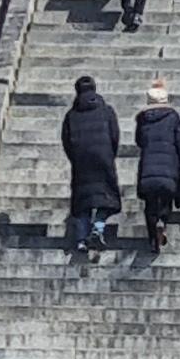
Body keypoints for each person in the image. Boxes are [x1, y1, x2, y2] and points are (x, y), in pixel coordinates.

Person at [61, 73, 121, 257]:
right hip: (103, 157)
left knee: (82, 201)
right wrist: (109, 154)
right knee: (107, 197)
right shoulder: (107, 111)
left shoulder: (71, 115)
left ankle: (81, 240)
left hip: (81, 160)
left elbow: (66, 141)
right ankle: (98, 227)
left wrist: (75, 158)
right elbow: (114, 135)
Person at [134, 78, 180, 254]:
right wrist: (179, 162)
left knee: (150, 203)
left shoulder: (142, 118)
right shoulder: (173, 117)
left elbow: (139, 140)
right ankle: (163, 221)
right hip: (169, 163)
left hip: (148, 164)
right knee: (166, 197)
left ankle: (152, 239)